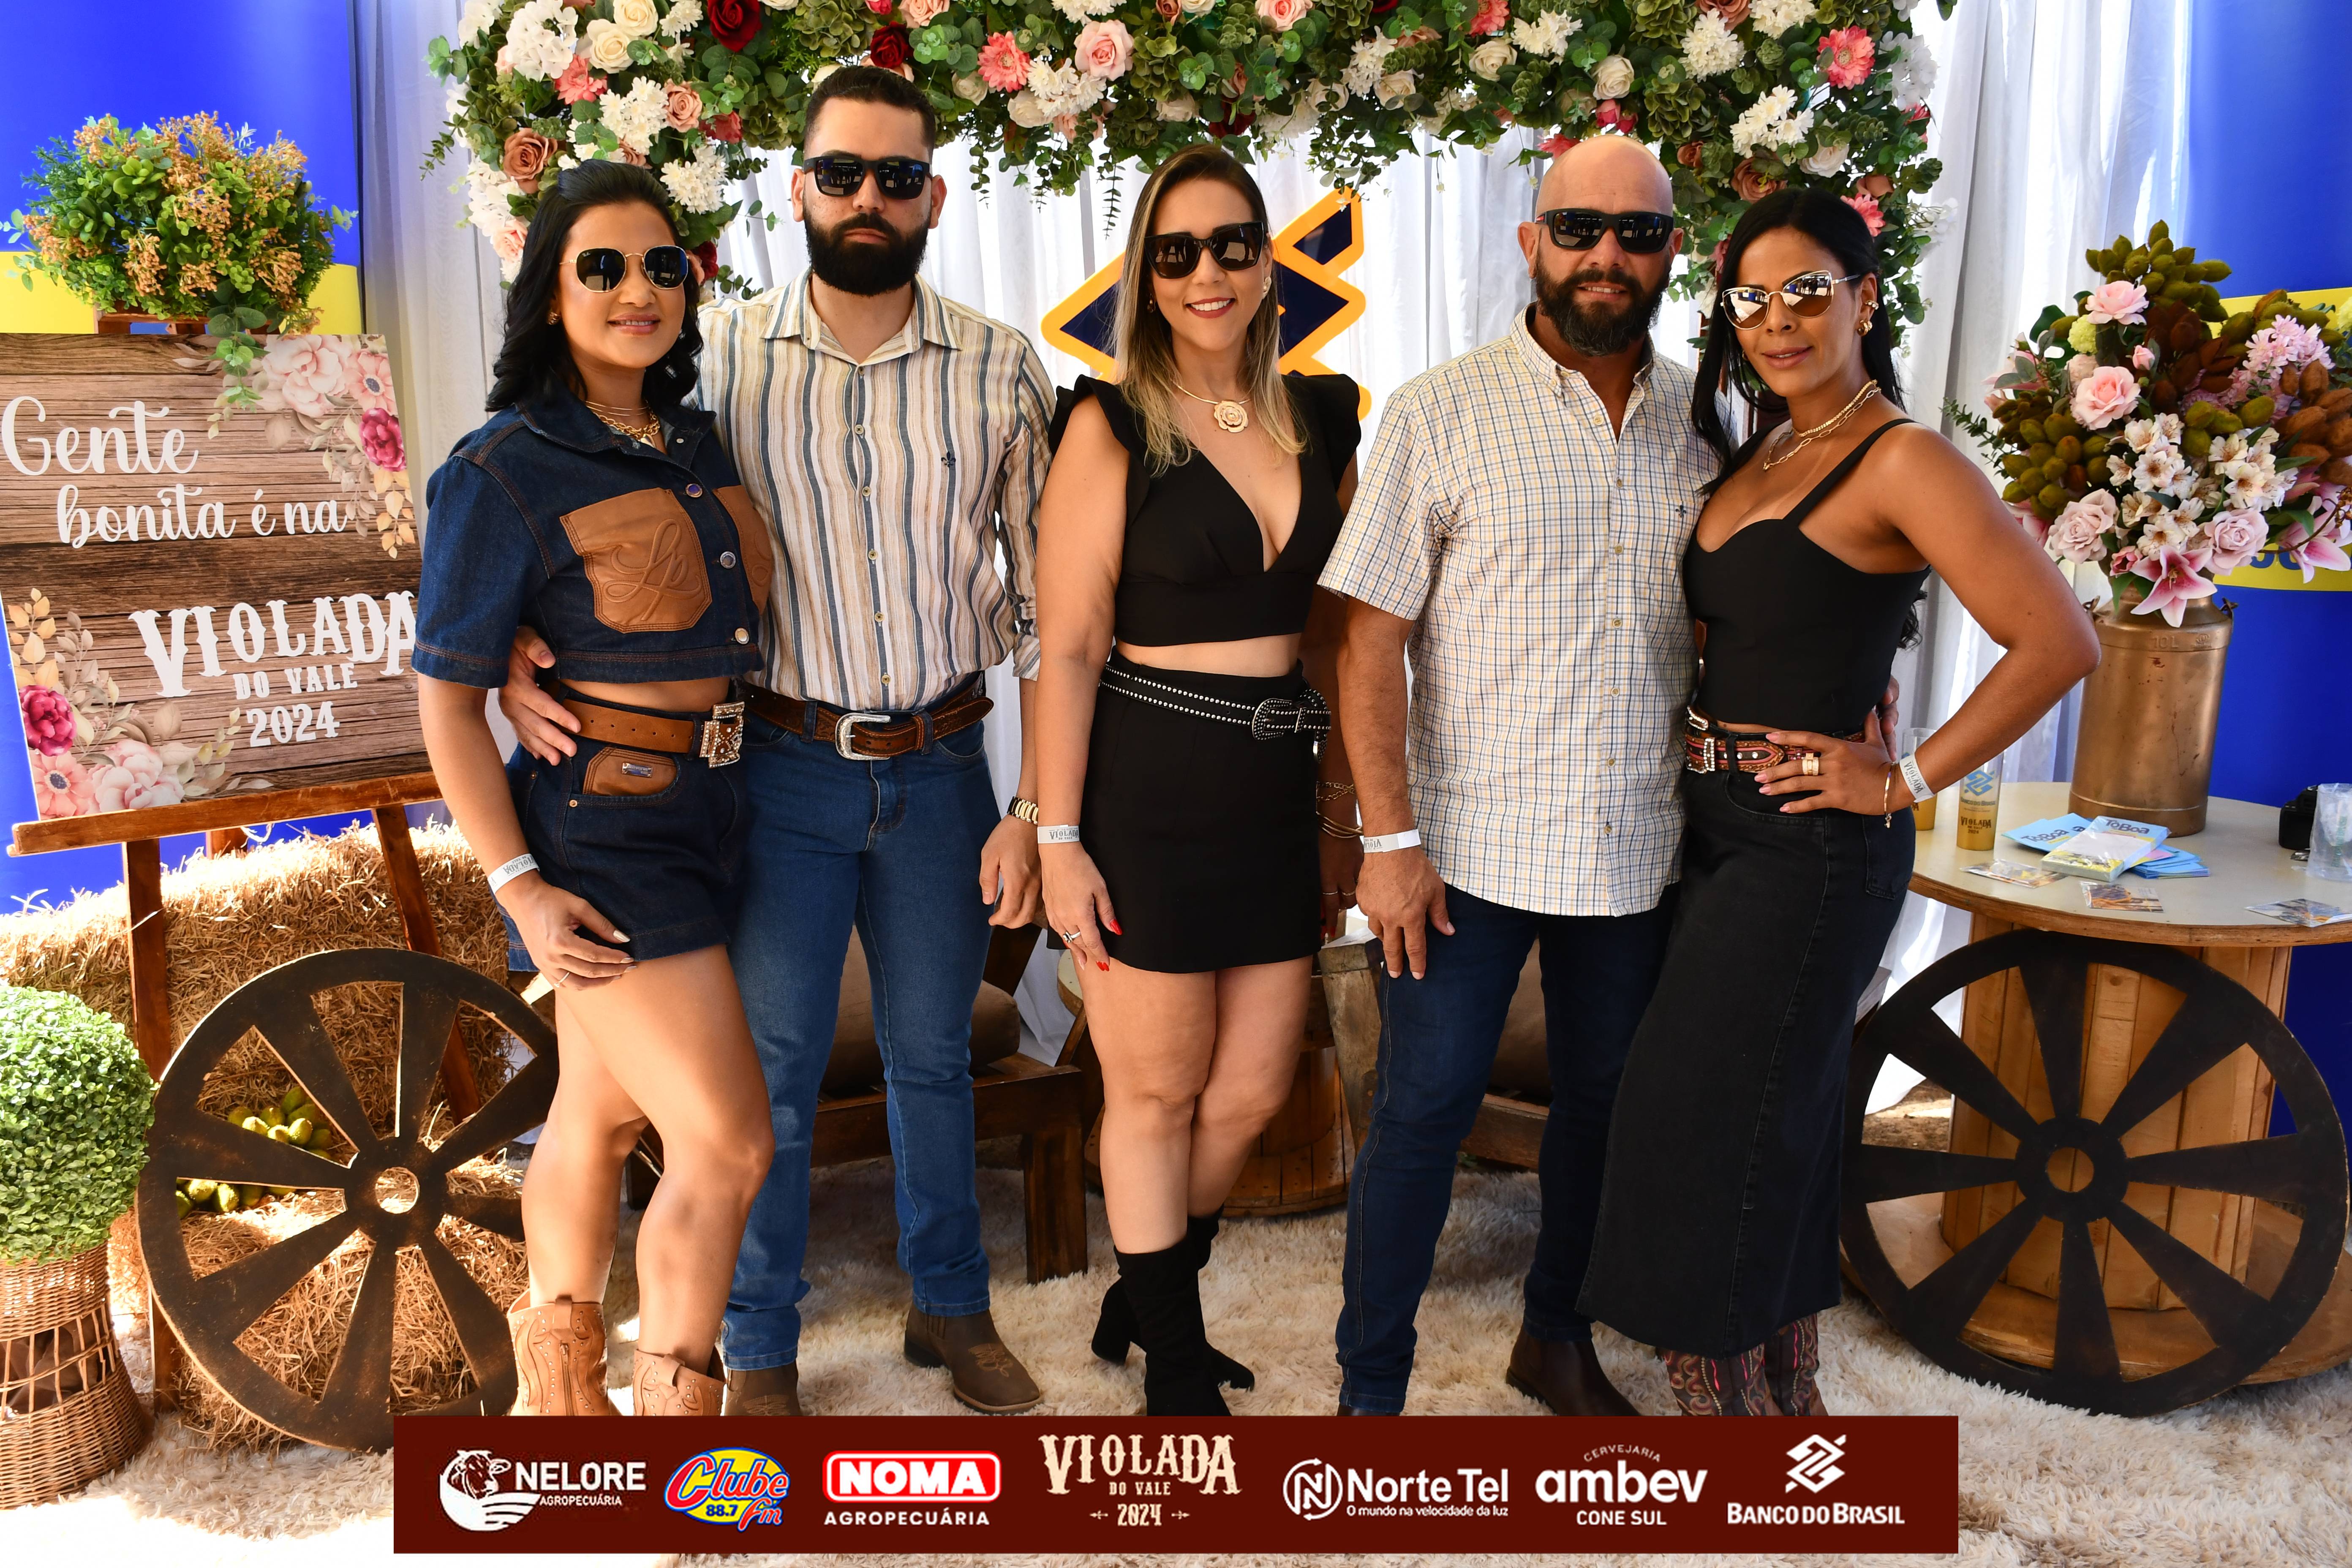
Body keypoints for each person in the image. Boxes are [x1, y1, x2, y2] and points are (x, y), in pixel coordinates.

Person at [496, 66, 1051, 1416]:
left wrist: (1040, 806)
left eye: (897, 177)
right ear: (798, 188)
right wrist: (510, 643)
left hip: (945, 764)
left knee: (937, 1056)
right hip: (776, 767)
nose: (869, 198)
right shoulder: (719, 358)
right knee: (772, 1078)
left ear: (934, 196)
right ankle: (756, 1352)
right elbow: (566, 482)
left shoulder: (1001, 366)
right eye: (842, 173)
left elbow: (1048, 608)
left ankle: (952, 1305)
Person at [1576, 188, 2100, 1416]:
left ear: (1865, 298)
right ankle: (1784, 1380)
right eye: (1751, 299)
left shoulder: (1903, 457)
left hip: (1814, 844)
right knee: (1776, 1108)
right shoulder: (1765, 445)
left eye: (1808, 291)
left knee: (1698, 1112)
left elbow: (2057, 641)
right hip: (1718, 825)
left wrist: (1903, 775)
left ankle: (1724, 1408)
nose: (1779, 320)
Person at [1317, 139, 1713, 1417]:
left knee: (1605, 1111)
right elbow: (1366, 639)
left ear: (1670, 251)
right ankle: (1371, 1391)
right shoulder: (1439, 409)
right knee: (1421, 1114)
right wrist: (1388, 841)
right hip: (1462, 852)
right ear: (1533, 241)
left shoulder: (1712, 419)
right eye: (1580, 228)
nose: (1608, 255)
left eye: (1638, 233)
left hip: (1639, 842)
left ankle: (1556, 1339)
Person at [414, 161, 775, 1418]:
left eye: (662, 267)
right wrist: (519, 888)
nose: (639, 291)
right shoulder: (502, 467)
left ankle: (562, 1421)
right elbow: (447, 702)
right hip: (605, 829)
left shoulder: (697, 440)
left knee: (599, 1111)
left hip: (721, 807)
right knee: (729, 1142)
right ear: (549, 294)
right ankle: (679, 1447)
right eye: (603, 268)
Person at [1035, 145, 1363, 1415]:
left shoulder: (1324, 418)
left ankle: (1145, 1294)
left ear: (1268, 262)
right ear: (1146, 277)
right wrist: (1058, 835)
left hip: (1275, 789)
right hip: (1149, 791)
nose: (1207, 272)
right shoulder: (1109, 424)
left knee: (1254, 1090)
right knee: (1157, 1088)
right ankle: (1176, 1360)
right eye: (1176, 253)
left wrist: (1342, 812)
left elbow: (1337, 637)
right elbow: (1069, 649)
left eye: (1232, 245)